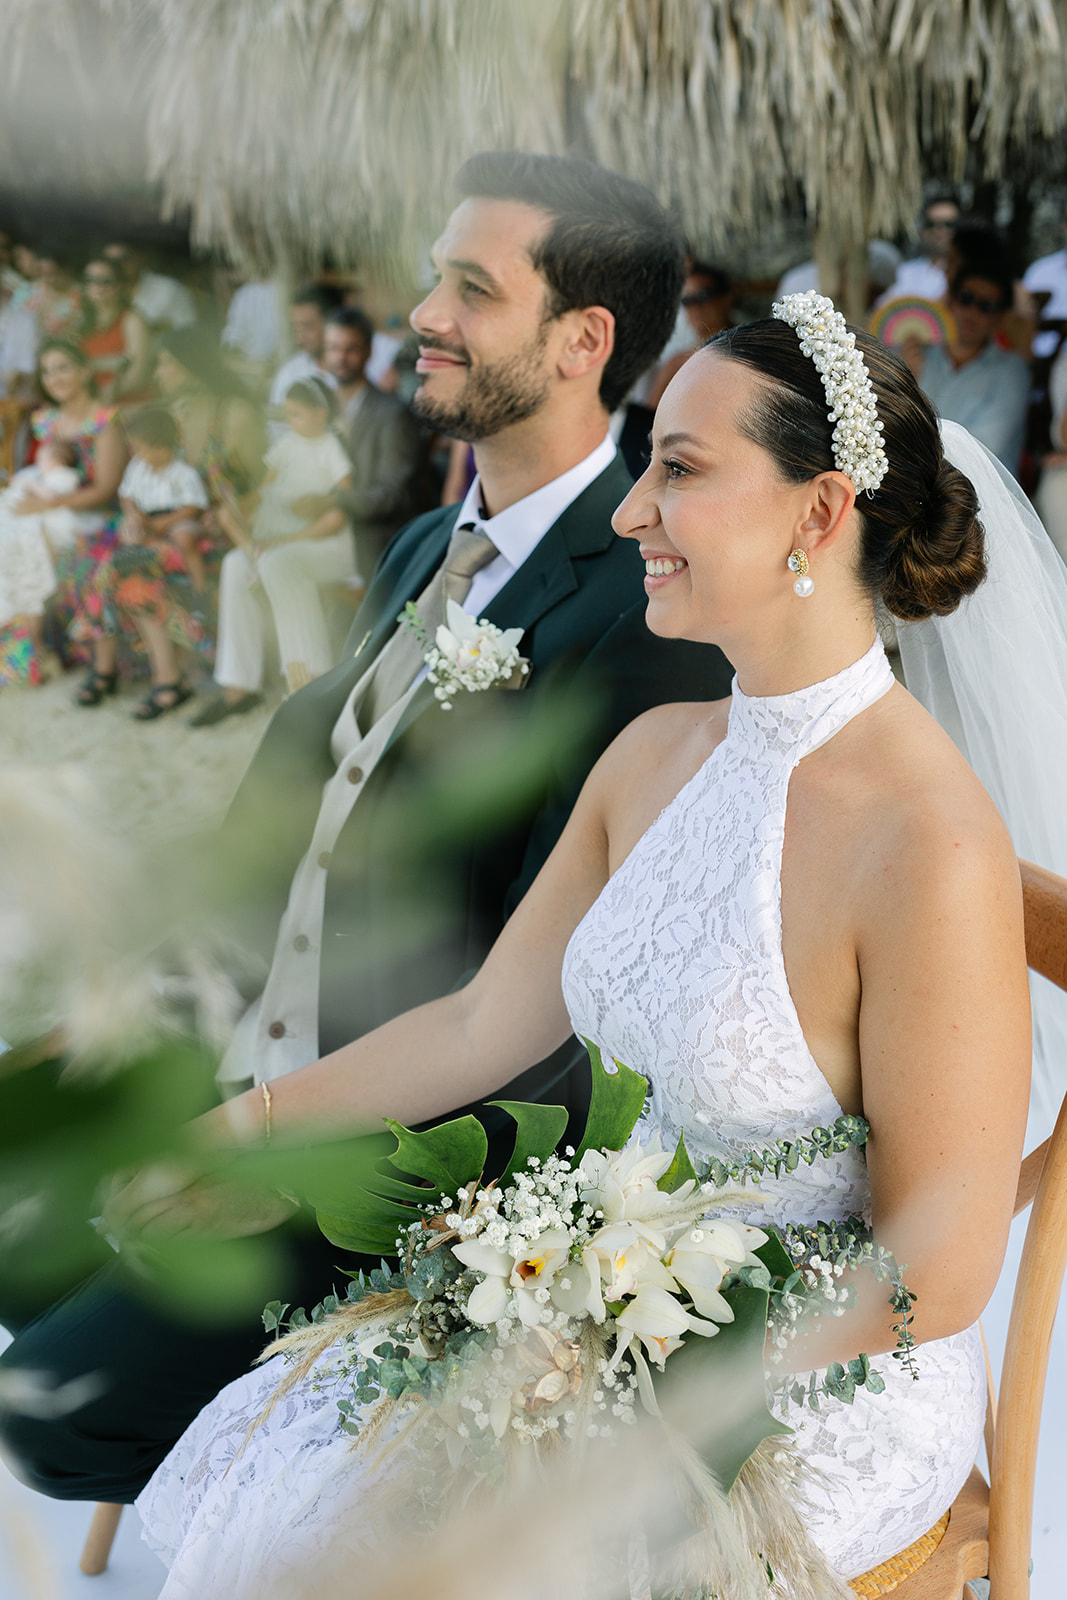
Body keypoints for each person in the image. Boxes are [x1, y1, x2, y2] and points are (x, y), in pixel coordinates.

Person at [125, 296, 1031, 1592]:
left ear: (816, 514)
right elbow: (482, 1023)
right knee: (316, 1480)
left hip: (818, 1374)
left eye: (678, 470)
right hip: (592, 1295)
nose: (625, 512)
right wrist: (245, 1127)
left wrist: (643, 1363)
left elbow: (935, 1270)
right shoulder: (654, 755)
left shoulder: (925, 844)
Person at [0, 150, 733, 1510]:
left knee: (46, 1417)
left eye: (470, 287)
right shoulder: (418, 549)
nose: (422, 313)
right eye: (430, 277)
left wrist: (273, 1163)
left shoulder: (646, 621)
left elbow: (558, 1021)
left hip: (396, 1158)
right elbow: (298, 844)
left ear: (582, 342)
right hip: (243, 1067)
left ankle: (282, 1476)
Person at [71, 329, 263, 711]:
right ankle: (169, 679)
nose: (158, 373)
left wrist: (221, 515)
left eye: (165, 364)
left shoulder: (235, 415)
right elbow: (142, 482)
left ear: (191, 368)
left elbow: (262, 487)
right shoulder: (172, 415)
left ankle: (139, 668)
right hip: (164, 533)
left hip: (212, 533)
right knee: (114, 572)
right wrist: (132, 519)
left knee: (112, 568)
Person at [191, 377, 356, 718]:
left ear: (319, 414)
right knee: (236, 564)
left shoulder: (331, 447)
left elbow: (344, 503)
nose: (289, 422)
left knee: (276, 563)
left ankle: (309, 681)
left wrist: (286, 534)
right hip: (281, 539)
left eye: (296, 414)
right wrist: (232, 509)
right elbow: (263, 491)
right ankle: (238, 685)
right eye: (287, 415)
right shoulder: (287, 445)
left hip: (323, 543)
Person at [11, 341, 126, 687]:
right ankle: (28, 654)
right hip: (55, 511)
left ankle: (103, 668)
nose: (54, 377)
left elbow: (105, 488)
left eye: (62, 367)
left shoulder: (105, 420)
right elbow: (42, 476)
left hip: (102, 517)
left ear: (84, 372)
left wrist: (48, 504)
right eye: (47, 371)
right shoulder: (45, 421)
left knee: (80, 554)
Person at [289, 304, 428, 576]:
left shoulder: (392, 413)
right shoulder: (318, 412)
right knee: (242, 561)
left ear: (368, 351)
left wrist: (333, 501)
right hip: (320, 528)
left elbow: (392, 496)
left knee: (280, 564)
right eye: (332, 348)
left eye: (350, 349)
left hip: (368, 541)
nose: (340, 357)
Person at [907, 260, 1030, 475]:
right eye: (966, 299)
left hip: (982, 491)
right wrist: (908, 379)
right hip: (918, 480)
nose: (972, 312)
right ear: (951, 302)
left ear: (999, 317)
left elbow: (983, 448)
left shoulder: (1012, 371)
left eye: (986, 306)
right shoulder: (916, 356)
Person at [0, 439, 87, 666]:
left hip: (49, 526)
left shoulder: (62, 476)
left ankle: (35, 650)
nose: (38, 464)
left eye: (42, 459)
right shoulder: (41, 475)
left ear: (56, 462)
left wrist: (30, 484)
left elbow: (50, 497)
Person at [117, 404, 210, 599]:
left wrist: (164, 523)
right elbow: (126, 496)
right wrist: (134, 514)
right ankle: (138, 575)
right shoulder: (137, 467)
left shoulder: (183, 473)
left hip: (176, 517)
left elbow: (193, 507)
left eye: (141, 449)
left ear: (163, 450)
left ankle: (200, 588)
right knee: (128, 532)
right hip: (145, 515)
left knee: (185, 537)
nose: (137, 454)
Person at [645, 263, 735, 408]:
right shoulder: (676, 364)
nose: (695, 306)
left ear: (725, 298)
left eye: (702, 296)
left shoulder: (750, 349)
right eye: (687, 301)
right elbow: (647, 419)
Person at [266, 284, 342, 435]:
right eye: (296, 328)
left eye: (307, 327)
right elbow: (276, 432)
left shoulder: (366, 366)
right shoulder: (290, 374)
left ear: (333, 324)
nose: (299, 337)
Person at [79, 257, 154, 402]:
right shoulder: (81, 323)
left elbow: (137, 375)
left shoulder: (132, 319)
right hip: (93, 407)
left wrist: (98, 397)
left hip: (129, 406)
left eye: (106, 281)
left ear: (120, 285)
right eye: (90, 280)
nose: (97, 286)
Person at [875, 193, 960, 305]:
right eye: (932, 224)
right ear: (922, 230)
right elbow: (882, 310)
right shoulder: (904, 273)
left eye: (948, 225)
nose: (940, 231)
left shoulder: (969, 274)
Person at [102, 242, 198, 332]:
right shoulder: (99, 292)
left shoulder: (170, 290)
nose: (118, 265)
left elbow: (188, 332)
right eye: (110, 261)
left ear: (140, 258)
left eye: (124, 258)